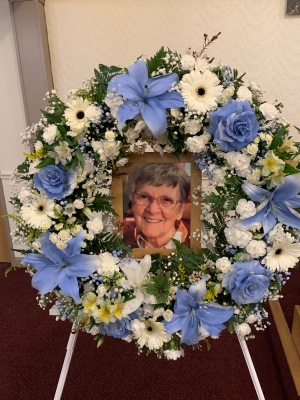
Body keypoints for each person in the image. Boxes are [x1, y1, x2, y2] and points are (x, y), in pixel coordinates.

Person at [123, 163, 190, 248]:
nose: (152, 210)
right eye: (144, 197)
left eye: (166, 200)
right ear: (132, 201)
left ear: (180, 210)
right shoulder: (117, 236)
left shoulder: (196, 244)